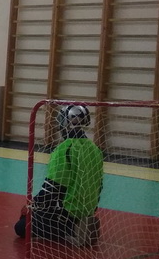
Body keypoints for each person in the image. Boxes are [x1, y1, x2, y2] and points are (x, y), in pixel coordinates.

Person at [14, 104, 104, 246]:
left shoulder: (64, 149)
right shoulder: (95, 150)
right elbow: (99, 185)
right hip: (87, 210)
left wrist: (32, 205)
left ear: (67, 123)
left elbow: (52, 187)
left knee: (21, 226)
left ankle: (70, 229)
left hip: (67, 212)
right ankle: (82, 222)